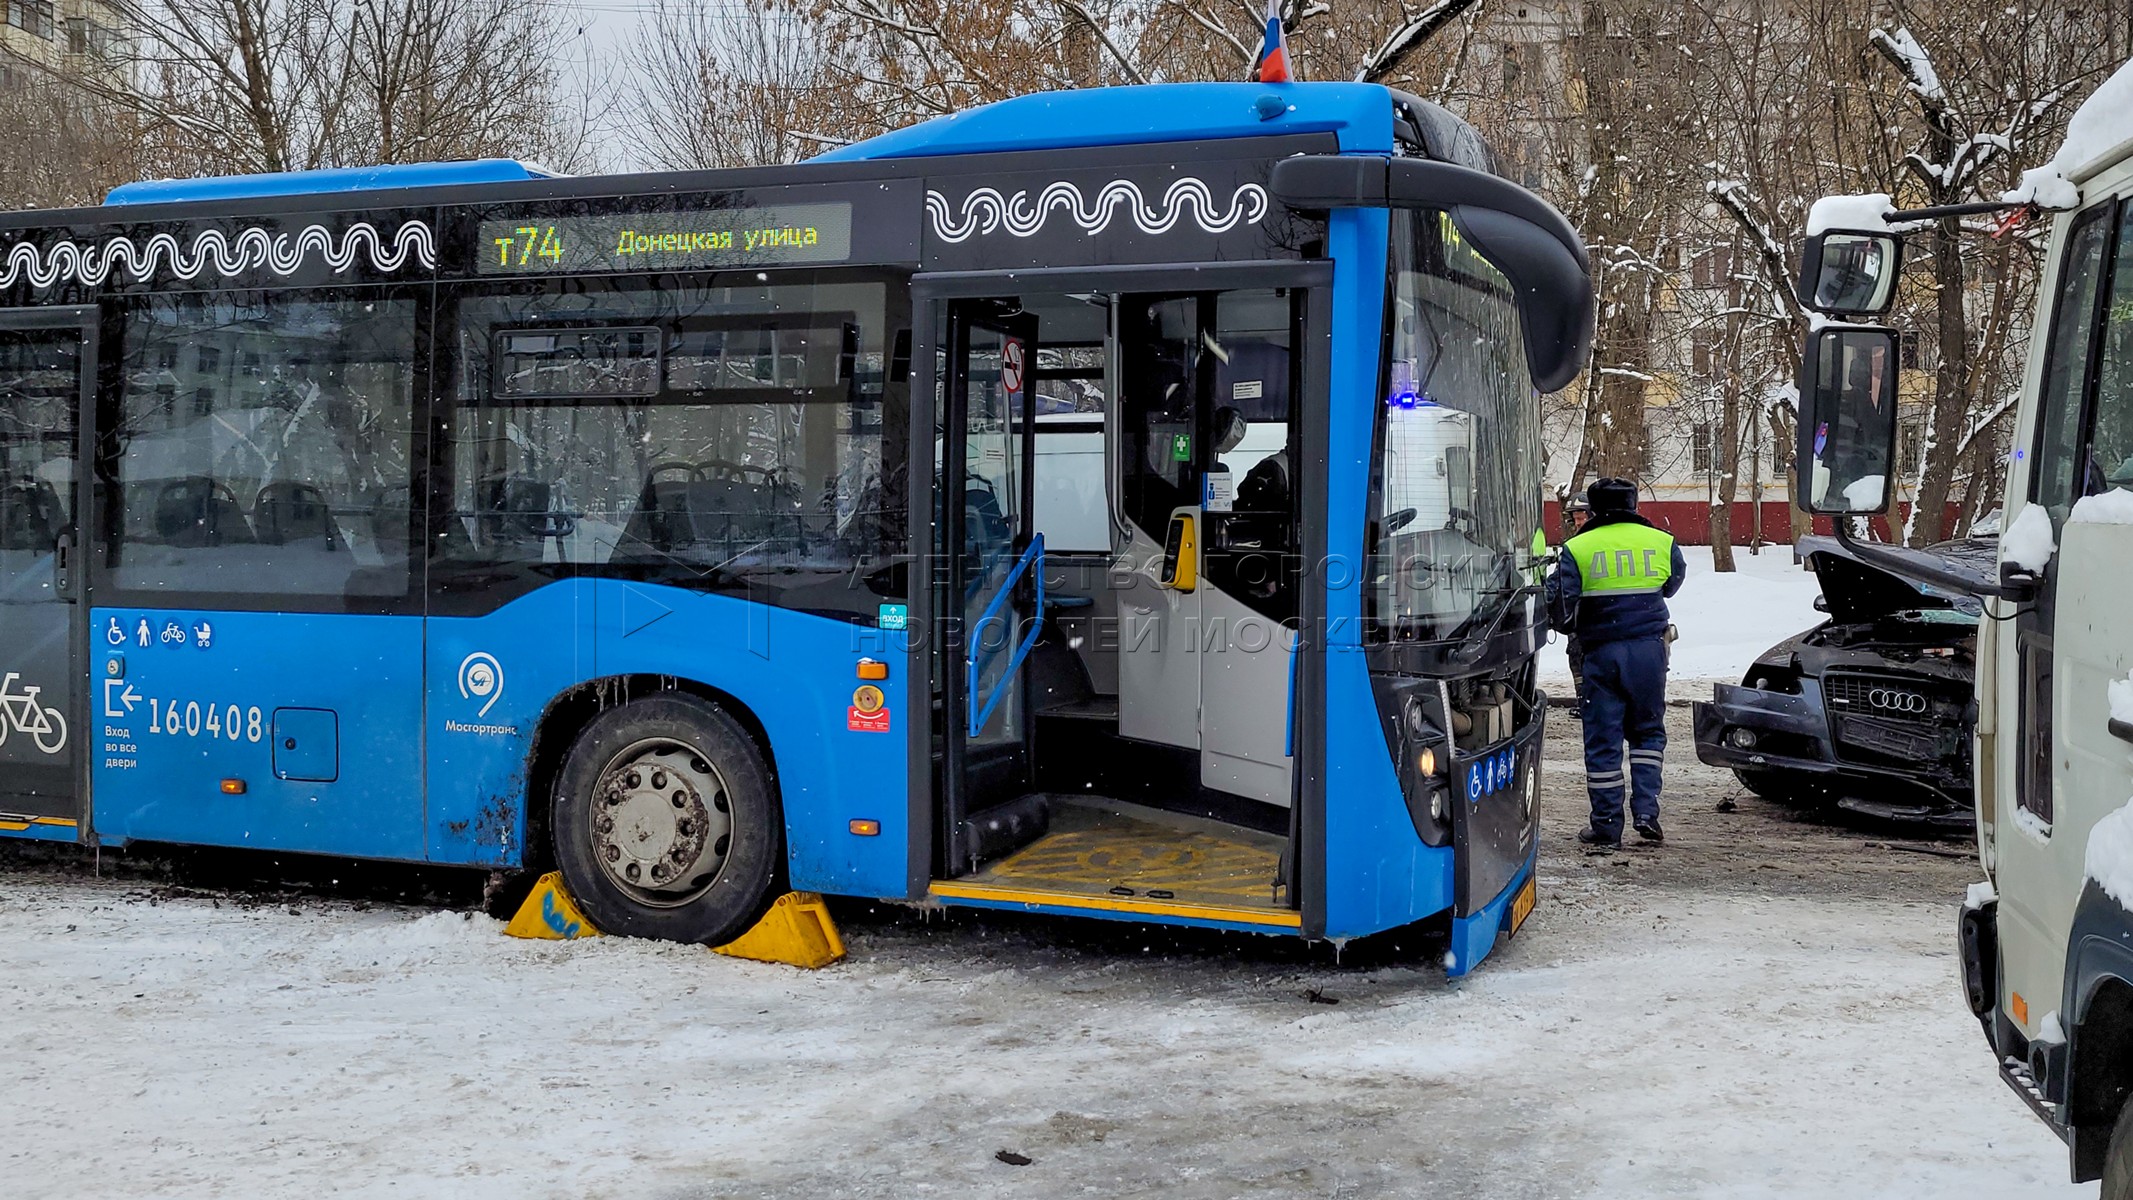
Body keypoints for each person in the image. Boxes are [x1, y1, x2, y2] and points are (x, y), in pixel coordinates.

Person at [1546, 478, 1686, 849]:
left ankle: (1607, 827)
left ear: (1593, 509)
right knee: (1647, 732)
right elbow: (1671, 584)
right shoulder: (1661, 542)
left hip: (1601, 651)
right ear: (1633, 504)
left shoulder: (1578, 547)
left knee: (1603, 739)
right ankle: (1646, 812)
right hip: (1649, 650)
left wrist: (1570, 624)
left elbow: (1561, 602)